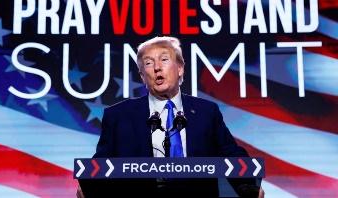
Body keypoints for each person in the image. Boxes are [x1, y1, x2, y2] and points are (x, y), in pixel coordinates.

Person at [77, 36, 264, 197]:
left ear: (180, 68)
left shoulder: (207, 112)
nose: (157, 67)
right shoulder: (118, 115)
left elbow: (231, 155)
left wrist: (249, 188)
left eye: (164, 60)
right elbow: (101, 164)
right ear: (143, 76)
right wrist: (89, 188)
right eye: (149, 63)